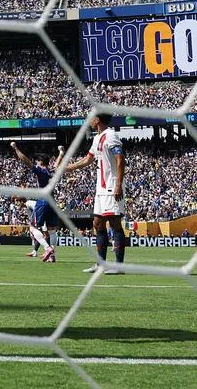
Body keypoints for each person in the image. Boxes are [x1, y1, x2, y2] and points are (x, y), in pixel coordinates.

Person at [62, 113, 126, 274]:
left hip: (111, 185)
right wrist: (68, 168)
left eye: (92, 118)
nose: (90, 121)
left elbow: (120, 159)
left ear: (97, 120)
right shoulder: (97, 138)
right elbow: (87, 159)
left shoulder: (110, 136)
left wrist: (118, 184)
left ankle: (119, 266)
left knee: (114, 223)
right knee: (97, 223)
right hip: (100, 189)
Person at [11, 142, 60, 262]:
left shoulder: (41, 170)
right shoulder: (52, 170)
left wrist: (16, 148)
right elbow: (57, 164)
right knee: (51, 230)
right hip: (52, 201)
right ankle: (52, 256)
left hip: (43, 201)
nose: (36, 162)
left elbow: (25, 161)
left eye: (37, 161)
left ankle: (47, 248)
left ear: (41, 162)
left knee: (33, 228)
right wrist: (61, 153)